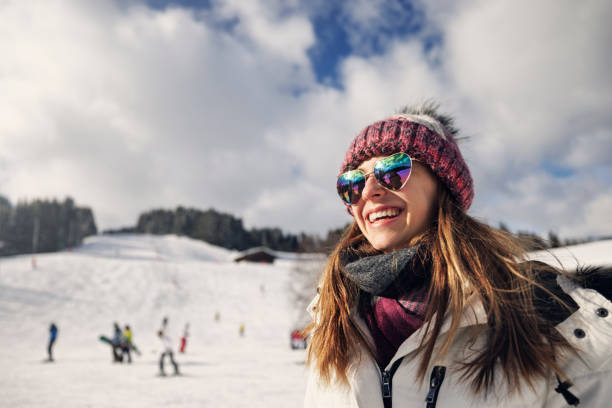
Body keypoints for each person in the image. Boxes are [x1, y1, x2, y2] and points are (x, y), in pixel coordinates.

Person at [304, 103, 612, 407]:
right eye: (352, 182)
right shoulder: (332, 316)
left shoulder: (534, 309)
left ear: (442, 185)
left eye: (393, 169)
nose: (369, 190)